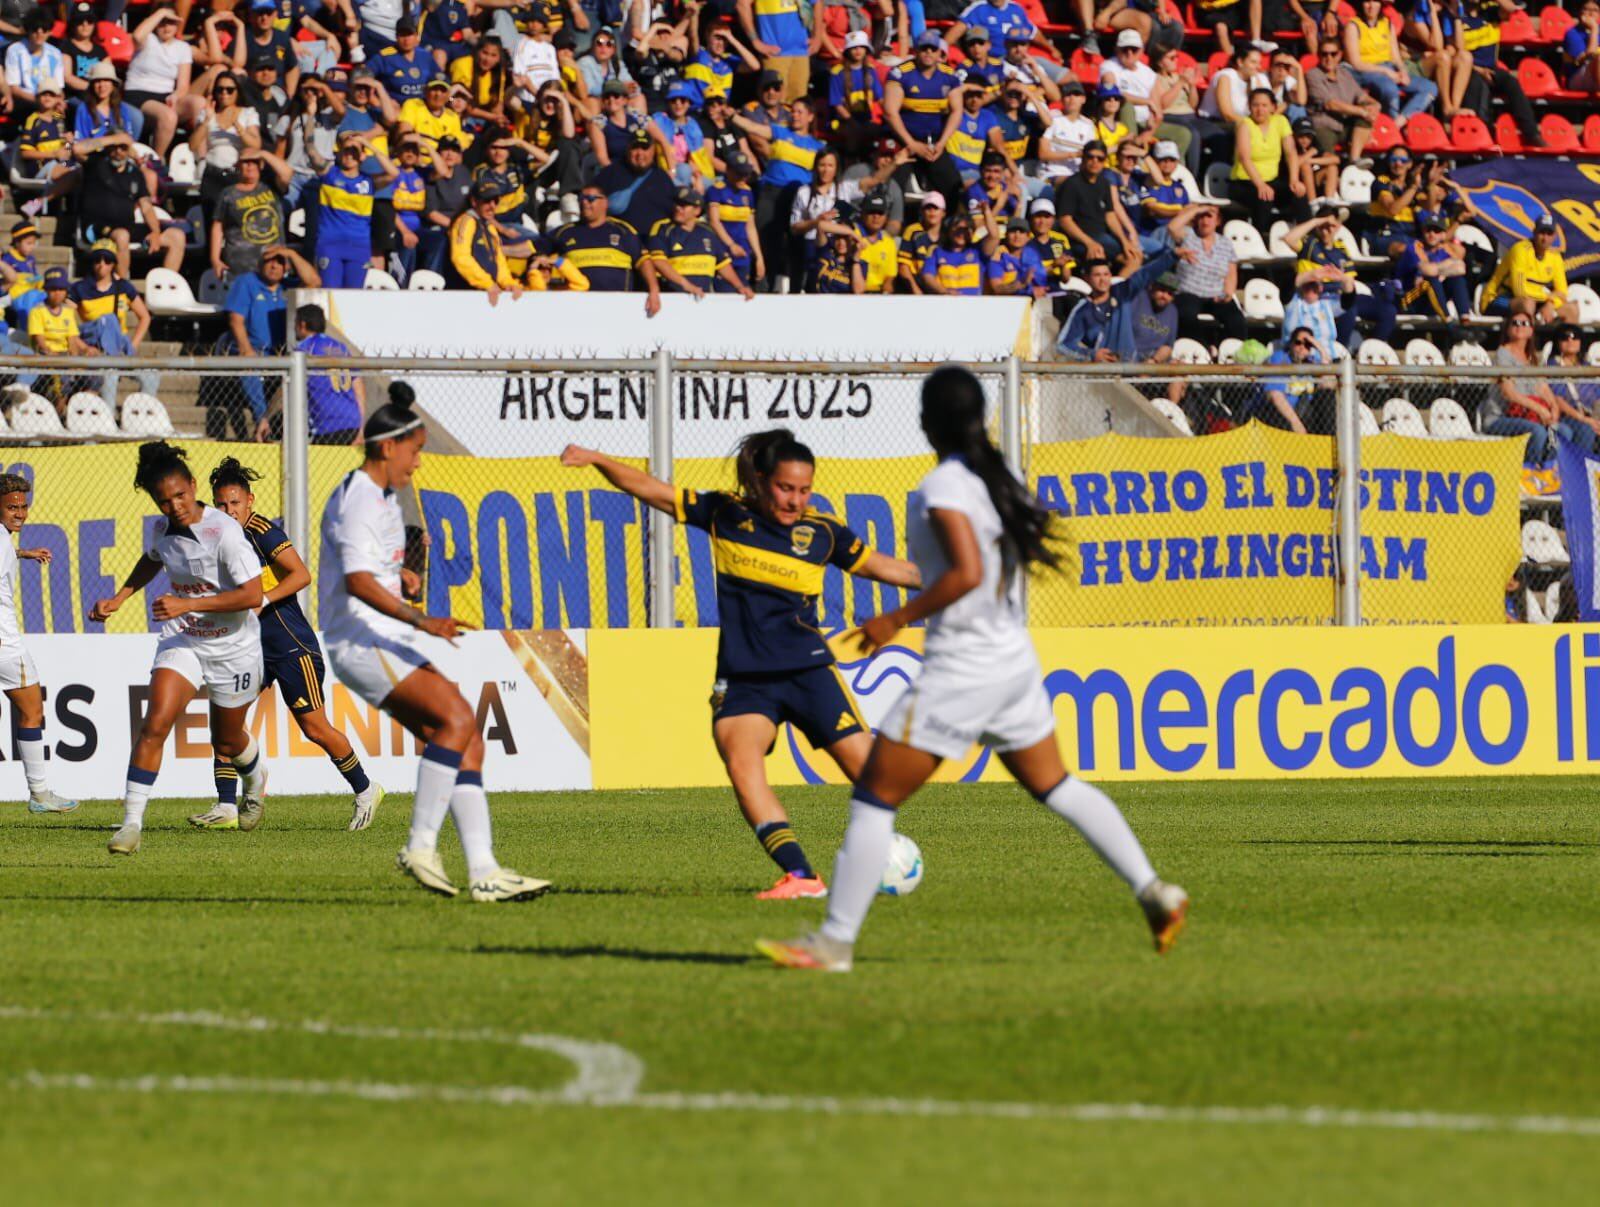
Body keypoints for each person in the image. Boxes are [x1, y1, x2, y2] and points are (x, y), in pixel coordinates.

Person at [756, 366, 1188, 972]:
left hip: (963, 668)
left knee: (874, 799)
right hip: (1011, 661)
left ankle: (834, 943)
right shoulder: (998, 475)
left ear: (928, 422)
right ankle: (1153, 890)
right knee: (1057, 786)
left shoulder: (946, 486)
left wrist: (895, 618)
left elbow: (966, 573)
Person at [561, 430, 921, 898]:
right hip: (745, 678)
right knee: (742, 763)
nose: (795, 500)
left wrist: (960, 577)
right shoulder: (725, 514)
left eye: (804, 490)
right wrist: (597, 458)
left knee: (878, 782)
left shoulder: (823, 533)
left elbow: (887, 568)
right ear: (762, 480)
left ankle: (878, 852)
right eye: (785, 488)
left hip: (807, 671)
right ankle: (801, 876)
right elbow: (651, 490)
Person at [322, 384, 548, 901]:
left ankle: (485, 872)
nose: (419, 462)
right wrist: (421, 619)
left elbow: (367, 571)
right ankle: (420, 846)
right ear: (388, 447)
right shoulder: (360, 499)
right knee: (459, 720)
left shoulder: (379, 497)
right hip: (364, 639)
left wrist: (399, 579)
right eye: (415, 450)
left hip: (379, 636)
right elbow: (356, 582)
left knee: (465, 739)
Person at [92, 442, 268, 855]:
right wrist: (119, 598)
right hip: (185, 638)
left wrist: (188, 603)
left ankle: (256, 777)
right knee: (155, 723)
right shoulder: (162, 530)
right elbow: (152, 558)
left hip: (234, 647)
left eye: (180, 495)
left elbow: (252, 595)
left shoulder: (225, 532)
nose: (175, 506)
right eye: (164, 501)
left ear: (192, 485)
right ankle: (131, 825)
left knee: (227, 742)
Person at [199, 457, 383, 831]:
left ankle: (366, 790)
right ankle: (226, 805)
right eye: (221, 504)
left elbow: (301, 575)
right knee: (225, 722)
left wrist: (263, 599)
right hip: (250, 649)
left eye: (235, 503)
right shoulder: (218, 540)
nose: (229, 510)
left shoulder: (262, 531)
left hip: (291, 646)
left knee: (315, 728)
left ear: (249, 501)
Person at [0, 473, 77, 815]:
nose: (20, 513)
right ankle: (40, 794)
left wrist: (22, 553)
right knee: (32, 712)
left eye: (23, 506)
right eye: (11, 507)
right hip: (5, 645)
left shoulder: (4, 541)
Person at [222, 245, 321, 440]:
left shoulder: (288, 287)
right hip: (253, 350)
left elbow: (314, 281)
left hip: (280, 352)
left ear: (286, 267)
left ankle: (285, 425)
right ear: (260, 263)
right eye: (270, 261)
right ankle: (263, 423)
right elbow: (235, 320)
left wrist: (291, 254)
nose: (274, 266)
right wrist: (246, 349)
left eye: (280, 262)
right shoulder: (247, 282)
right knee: (250, 366)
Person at [1057, 242, 1179, 361]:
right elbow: (1063, 345)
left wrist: (1173, 256)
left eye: (1106, 274)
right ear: (1087, 278)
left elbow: (1145, 274)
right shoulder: (1083, 310)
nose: (1103, 279)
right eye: (1097, 275)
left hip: (1131, 366)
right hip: (1104, 370)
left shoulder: (1121, 293)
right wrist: (1092, 355)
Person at [642, 186, 755, 310]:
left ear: (697, 210)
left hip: (701, 300)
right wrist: (687, 285)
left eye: (684, 205)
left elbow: (722, 264)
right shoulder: (663, 229)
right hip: (672, 299)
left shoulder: (707, 232)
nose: (678, 208)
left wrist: (740, 286)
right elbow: (659, 262)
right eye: (677, 204)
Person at [315, 131, 398, 288]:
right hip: (330, 244)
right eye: (346, 151)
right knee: (331, 293)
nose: (349, 155)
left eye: (354, 151)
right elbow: (311, 151)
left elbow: (393, 173)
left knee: (353, 294)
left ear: (362, 156)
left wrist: (368, 145)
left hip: (359, 246)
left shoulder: (369, 182)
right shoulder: (329, 174)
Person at [1484, 311, 1562, 475]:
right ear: (1508, 330)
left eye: (1524, 323)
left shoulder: (1532, 358)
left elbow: (1543, 388)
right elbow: (1509, 393)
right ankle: (1529, 474)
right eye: (1515, 323)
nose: (1520, 326)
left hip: (1528, 416)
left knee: (1563, 431)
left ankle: (1547, 473)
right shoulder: (1503, 354)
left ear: (1531, 330)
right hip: (1500, 418)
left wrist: (1554, 407)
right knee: (1537, 431)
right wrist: (1540, 409)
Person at [1344, 0, 1438, 121]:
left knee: (1429, 87)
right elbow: (1356, 63)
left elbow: (1396, 57)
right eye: (1367, 2)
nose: (1371, 6)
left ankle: (1400, 122)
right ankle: (1390, 122)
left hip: (1389, 68)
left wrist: (1403, 71)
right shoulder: (1353, 26)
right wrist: (1386, 72)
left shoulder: (1387, 23)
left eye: (1375, 2)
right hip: (1368, 70)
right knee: (1390, 89)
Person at [1229, 87, 1306, 232]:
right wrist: (1260, 184)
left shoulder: (1280, 121)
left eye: (1264, 105)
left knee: (1298, 193)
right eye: (1255, 105)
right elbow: (1245, 158)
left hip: (1271, 180)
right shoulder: (1244, 124)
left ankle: (1306, 234)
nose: (1260, 110)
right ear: (1249, 107)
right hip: (1245, 181)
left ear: (1273, 107)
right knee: (1264, 197)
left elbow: (1291, 152)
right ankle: (1262, 236)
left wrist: (1294, 180)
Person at [210, 147, 290, 280]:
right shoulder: (228, 194)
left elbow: (287, 173)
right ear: (238, 165)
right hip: (239, 264)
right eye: (245, 162)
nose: (250, 166)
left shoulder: (272, 187)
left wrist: (263, 153)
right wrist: (215, 259)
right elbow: (218, 226)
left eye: (254, 162)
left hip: (272, 262)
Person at [1481, 216, 1577, 324]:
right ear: (1534, 232)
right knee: (1528, 304)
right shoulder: (1521, 250)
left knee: (1572, 309)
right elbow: (1519, 291)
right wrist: (1548, 297)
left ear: (1554, 236)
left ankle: (1566, 334)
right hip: (1499, 298)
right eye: (1542, 233)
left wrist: (1551, 304)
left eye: (1549, 234)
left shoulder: (1555, 257)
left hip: (1535, 300)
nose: (1545, 238)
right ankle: (1530, 334)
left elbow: (1562, 292)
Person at [549, 186, 646, 291]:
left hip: (617, 299)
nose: (584, 202)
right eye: (581, 198)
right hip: (577, 299)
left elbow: (644, 261)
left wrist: (653, 290)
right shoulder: (564, 232)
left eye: (590, 199)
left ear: (605, 203)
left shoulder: (623, 231)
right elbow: (538, 250)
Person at [294, 303, 365, 444]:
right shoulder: (341, 347)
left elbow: (288, 385)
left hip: (327, 424)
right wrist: (361, 428)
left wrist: (266, 416)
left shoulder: (304, 349)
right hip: (352, 422)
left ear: (302, 324)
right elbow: (359, 388)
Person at [1304, 37, 1379, 162]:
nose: (1329, 58)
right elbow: (1330, 104)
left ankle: (1354, 159)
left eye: (1333, 54)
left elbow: (1361, 96)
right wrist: (1362, 111)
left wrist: (1375, 104)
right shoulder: (1313, 75)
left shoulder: (1345, 74)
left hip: (1345, 124)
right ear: (1318, 55)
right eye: (1324, 54)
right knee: (1329, 160)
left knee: (1365, 119)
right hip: (1324, 125)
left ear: (1339, 55)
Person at [1256, 325, 1333, 434]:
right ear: (1291, 344)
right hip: (1281, 416)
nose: (1302, 347)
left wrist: (1321, 349)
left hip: (1305, 414)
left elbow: (1330, 384)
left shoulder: (1312, 361)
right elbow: (1274, 395)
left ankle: (1329, 438)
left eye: (1308, 345)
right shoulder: (1280, 358)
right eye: (1298, 343)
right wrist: (1296, 424)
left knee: (1327, 395)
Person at [736, 0, 815, 102]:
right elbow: (742, 5)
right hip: (775, 53)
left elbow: (818, 3)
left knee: (799, 104)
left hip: (802, 51)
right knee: (774, 102)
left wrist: (817, 36)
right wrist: (755, 40)